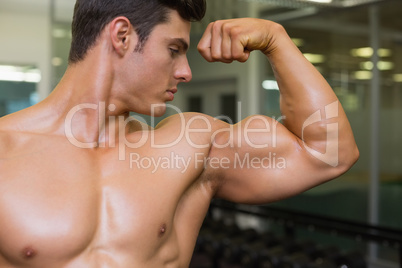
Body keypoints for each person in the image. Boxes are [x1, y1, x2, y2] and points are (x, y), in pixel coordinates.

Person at [0, 0, 359, 267]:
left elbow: (328, 152)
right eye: (174, 50)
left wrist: (276, 40)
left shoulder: (187, 145)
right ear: (122, 36)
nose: (186, 72)